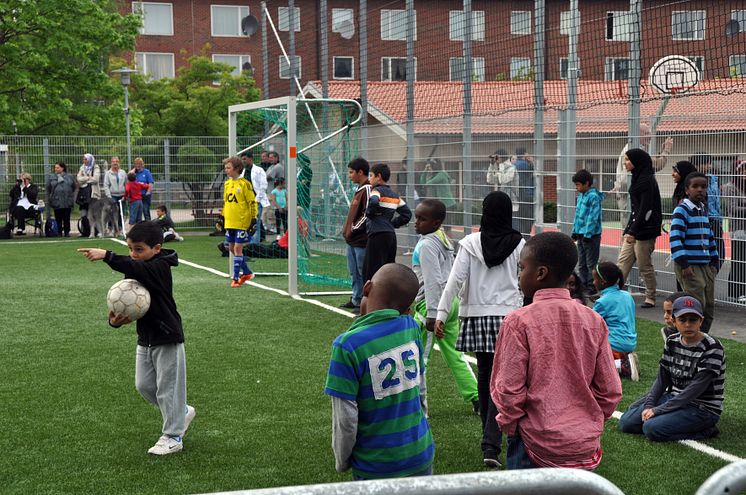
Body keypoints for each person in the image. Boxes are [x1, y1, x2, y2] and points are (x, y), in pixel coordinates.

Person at [491, 231, 622, 471]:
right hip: (582, 445)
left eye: (522, 268)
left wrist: (511, 425)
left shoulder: (518, 321)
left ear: (540, 273)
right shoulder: (593, 320)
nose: (519, 275)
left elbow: (509, 389)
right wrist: (587, 422)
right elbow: (610, 389)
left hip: (532, 443)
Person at [77, 221, 195, 455]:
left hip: (167, 334)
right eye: (130, 248)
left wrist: (108, 255)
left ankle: (173, 436)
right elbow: (136, 304)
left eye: (139, 249)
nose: (133, 254)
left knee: (167, 389)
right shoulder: (137, 267)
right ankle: (180, 413)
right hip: (146, 336)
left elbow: (139, 270)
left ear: (157, 248)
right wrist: (116, 321)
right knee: (144, 386)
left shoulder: (160, 266)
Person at [435, 191, 524, 468]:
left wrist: (439, 313)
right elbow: (523, 281)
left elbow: (454, 281)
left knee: (486, 377)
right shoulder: (519, 243)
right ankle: (492, 440)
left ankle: (489, 441)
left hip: (476, 316)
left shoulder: (471, 243)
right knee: (502, 380)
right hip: (508, 317)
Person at [323, 263, 434, 480]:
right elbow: (421, 387)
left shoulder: (347, 346)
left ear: (366, 287)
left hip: (376, 464)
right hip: (420, 452)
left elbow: (345, 418)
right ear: (408, 309)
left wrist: (342, 459)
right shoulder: (410, 327)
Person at [618, 295, 725, 442]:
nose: (688, 325)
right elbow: (662, 379)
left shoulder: (712, 347)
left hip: (702, 408)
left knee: (651, 429)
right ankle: (668, 419)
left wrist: (658, 410)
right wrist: (649, 405)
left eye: (693, 320)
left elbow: (695, 389)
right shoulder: (672, 341)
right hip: (674, 398)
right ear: (674, 321)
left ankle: (707, 430)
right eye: (682, 320)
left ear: (701, 321)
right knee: (626, 423)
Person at [412, 199, 479, 415]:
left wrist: (433, 314)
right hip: (450, 304)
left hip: (431, 307)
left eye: (422, 219)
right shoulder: (443, 238)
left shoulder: (426, 245)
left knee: (418, 356)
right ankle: (477, 398)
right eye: (416, 217)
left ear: (436, 222)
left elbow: (434, 280)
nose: (416, 223)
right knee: (455, 355)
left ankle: (417, 407)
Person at [670, 172, 719, 333]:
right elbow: (676, 238)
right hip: (689, 265)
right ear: (686, 190)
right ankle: (683, 337)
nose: (700, 190)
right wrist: (684, 264)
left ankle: (702, 338)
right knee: (697, 304)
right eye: (695, 186)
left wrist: (714, 261)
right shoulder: (682, 210)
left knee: (709, 307)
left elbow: (709, 236)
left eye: (703, 187)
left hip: (706, 265)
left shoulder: (702, 210)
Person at [616, 148, 662, 309]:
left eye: (628, 160)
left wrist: (633, 231)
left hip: (646, 230)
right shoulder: (637, 178)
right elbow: (635, 210)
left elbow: (645, 209)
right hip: (635, 229)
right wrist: (628, 230)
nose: (625, 162)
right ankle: (612, 292)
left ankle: (650, 295)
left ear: (637, 162)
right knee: (623, 261)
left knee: (644, 264)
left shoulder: (647, 180)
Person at [612, 123, 673, 224]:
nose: (650, 136)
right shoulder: (635, 151)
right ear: (637, 134)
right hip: (630, 196)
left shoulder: (632, 148)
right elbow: (655, 165)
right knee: (633, 229)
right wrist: (666, 151)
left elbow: (649, 165)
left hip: (629, 194)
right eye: (646, 133)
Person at [363, 163, 412, 282]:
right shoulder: (395, 196)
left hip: (377, 234)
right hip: (390, 235)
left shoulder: (376, 191)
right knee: (388, 268)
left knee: (372, 270)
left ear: (378, 176)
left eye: (371, 175)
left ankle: (372, 299)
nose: (369, 179)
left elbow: (374, 202)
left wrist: (369, 213)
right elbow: (407, 214)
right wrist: (392, 224)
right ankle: (388, 296)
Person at [592, 262, 640, 381]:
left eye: (594, 279)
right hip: (630, 343)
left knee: (592, 364)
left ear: (602, 281)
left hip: (613, 345)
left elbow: (591, 323)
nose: (593, 282)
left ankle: (623, 366)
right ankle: (625, 360)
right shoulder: (627, 295)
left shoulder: (602, 302)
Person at [340, 158, 371, 312]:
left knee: (362, 271)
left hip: (360, 240)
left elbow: (367, 214)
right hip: (352, 240)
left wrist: (352, 229)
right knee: (354, 272)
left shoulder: (367, 189)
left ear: (360, 172)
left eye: (351, 172)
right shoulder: (359, 189)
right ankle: (356, 299)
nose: (349, 175)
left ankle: (365, 303)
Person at [223, 156, 258, 287]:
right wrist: (222, 217)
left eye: (228, 168)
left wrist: (253, 219)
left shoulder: (245, 184)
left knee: (238, 248)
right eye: (225, 168)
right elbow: (226, 202)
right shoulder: (227, 184)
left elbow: (252, 202)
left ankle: (236, 278)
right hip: (230, 221)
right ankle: (247, 272)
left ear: (237, 169)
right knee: (231, 248)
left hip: (242, 221)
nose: (226, 170)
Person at [571, 169, 604, 296]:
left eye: (578, 184)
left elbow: (593, 217)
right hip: (580, 235)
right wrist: (575, 231)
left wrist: (588, 234)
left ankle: (592, 285)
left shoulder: (594, 197)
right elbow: (578, 216)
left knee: (591, 263)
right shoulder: (580, 196)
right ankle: (583, 284)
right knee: (582, 262)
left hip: (591, 237)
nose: (577, 187)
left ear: (587, 184)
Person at [690, 153, 724, 271]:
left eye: (710, 163)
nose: (709, 166)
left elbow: (717, 200)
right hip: (703, 219)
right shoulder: (691, 181)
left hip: (715, 219)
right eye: (706, 163)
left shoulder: (713, 179)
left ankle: (710, 277)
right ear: (697, 165)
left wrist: (719, 218)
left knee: (720, 254)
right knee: (703, 253)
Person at [722, 160, 746, 303]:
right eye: (742, 170)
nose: (744, 173)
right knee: (739, 260)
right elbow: (733, 208)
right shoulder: (730, 187)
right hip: (738, 229)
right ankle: (738, 292)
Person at [486, 149, 519, 230]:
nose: (495, 159)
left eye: (496, 157)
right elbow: (490, 180)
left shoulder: (511, 168)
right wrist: (491, 165)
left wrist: (500, 166)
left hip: (512, 204)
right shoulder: (499, 168)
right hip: (501, 204)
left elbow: (503, 180)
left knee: (512, 229)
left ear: (501, 157)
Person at [242, 152, 269, 244]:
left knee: (255, 222)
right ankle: (248, 241)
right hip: (245, 201)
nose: (243, 161)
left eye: (245, 159)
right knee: (246, 222)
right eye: (242, 159)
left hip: (256, 200)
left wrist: (257, 199)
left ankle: (254, 245)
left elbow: (263, 185)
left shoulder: (259, 170)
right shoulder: (242, 171)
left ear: (251, 159)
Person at [46, 162, 76, 237]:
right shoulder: (52, 177)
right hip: (56, 200)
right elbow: (49, 187)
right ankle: (59, 232)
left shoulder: (69, 176)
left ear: (62, 168)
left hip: (66, 200)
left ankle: (67, 232)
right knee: (58, 217)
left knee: (66, 218)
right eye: (55, 167)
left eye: (57, 167)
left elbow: (73, 186)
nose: (56, 169)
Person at [77, 153, 101, 237]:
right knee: (84, 214)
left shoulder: (96, 167)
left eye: (86, 159)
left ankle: (96, 232)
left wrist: (85, 179)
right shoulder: (82, 167)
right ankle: (85, 231)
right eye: (84, 159)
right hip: (83, 195)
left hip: (92, 194)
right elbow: (78, 179)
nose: (84, 161)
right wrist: (87, 178)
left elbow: (96, 179)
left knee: (93, 214)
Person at [514, 148, 535, 238]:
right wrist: (531, 161)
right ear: (524, 154)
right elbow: (534, 170)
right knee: (529, 217)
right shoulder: (523, 164)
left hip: (520, 193)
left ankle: (523, 234)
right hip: (527, 193)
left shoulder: (515, 164)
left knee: (521, 215)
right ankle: (526, 235)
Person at [104, 156, 127, 237]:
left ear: (119, 163)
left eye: (117, 161)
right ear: (111, 163)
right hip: (112, 195)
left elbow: (126, 184)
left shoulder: (123, 172)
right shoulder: (108, 173)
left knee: (121, 213)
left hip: (122, 195)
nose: (115, 163)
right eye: (113, 161)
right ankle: (110, 229)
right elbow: (106, 186)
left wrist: (125, 195)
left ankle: (119, 230)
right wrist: (109, 197)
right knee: (112, 213)